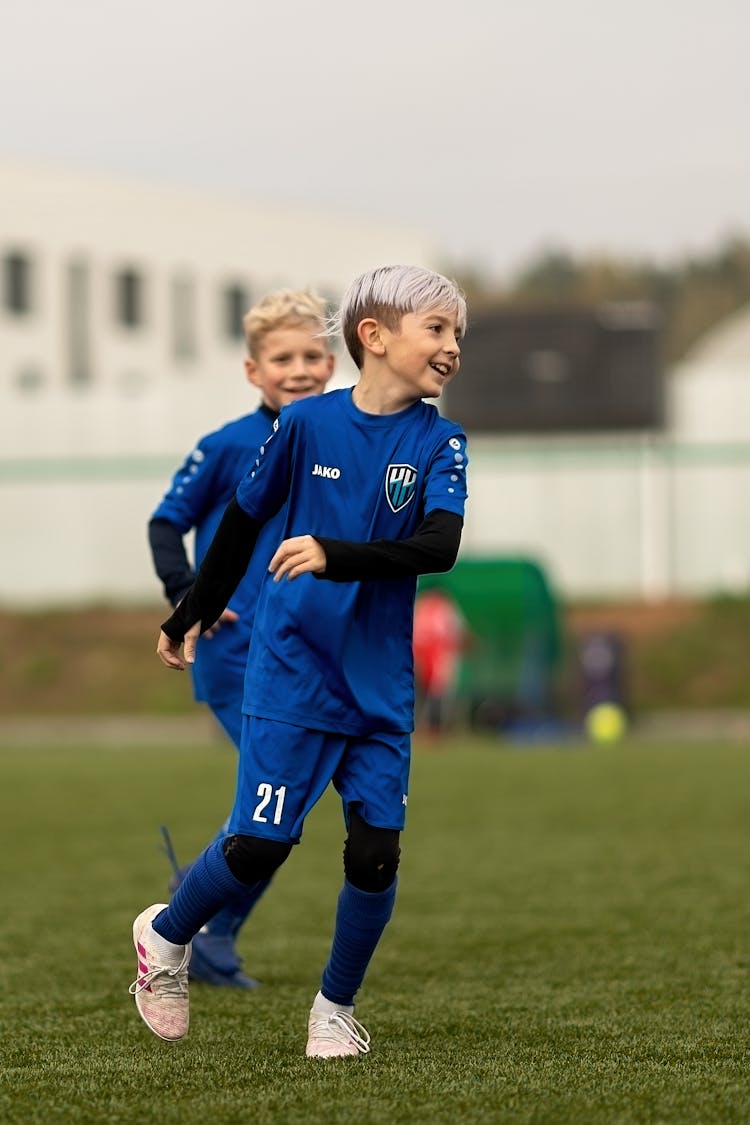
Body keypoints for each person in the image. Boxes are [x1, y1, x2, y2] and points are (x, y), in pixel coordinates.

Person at [130, 264, 469, 1058]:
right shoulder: (306, 425)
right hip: (291, 668)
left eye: (458, 333)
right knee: (262, 842)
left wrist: (329, 552)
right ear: (374, 337)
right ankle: (167, 935)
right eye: (438, 329)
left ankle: (332, 1010)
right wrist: (189, 612)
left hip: (380, 681)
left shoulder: (441, 440)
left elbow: (438, 546)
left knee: (376, 853)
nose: (452, 346)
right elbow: (240, 527)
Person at [147, 289, 335, 987]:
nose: (299, 368)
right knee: (274, 807)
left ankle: (203, 914)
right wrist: (188, 596)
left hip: (315, 655)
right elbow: (166, 523)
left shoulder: (343, 437)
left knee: (282, 809)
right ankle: (200, 927)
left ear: (333, 362)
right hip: (236, 653)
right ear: (253, 370)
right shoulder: (227, 445)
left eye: (312, 355)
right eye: (281, 357)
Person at [412, 586, 468, 735]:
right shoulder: (445, 608)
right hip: (436, 656)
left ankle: (428, 728)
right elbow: (457, 634)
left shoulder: (420, 605)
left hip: (419, 655)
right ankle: (432, 728)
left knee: (425, 693)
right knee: (436, 692)